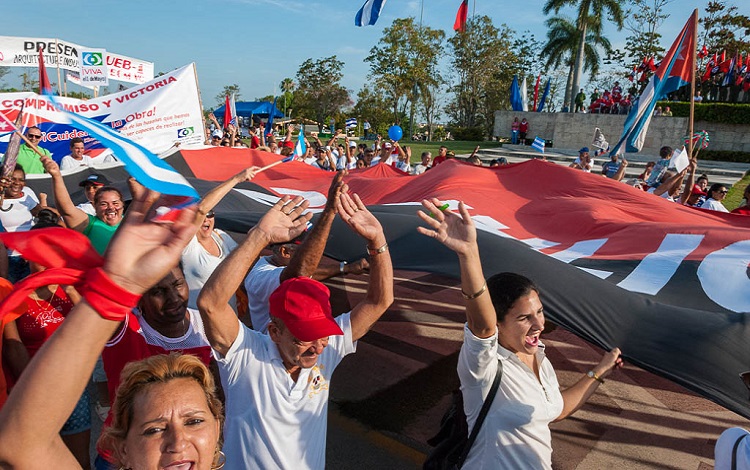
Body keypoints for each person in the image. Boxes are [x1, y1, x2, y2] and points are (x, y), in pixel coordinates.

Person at [0, 186, 226, 470]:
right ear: (121, 450)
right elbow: (19, 444)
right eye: (153, 429)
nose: (178, 443)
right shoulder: (130, 326)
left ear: (217, 428)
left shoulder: (200, 324)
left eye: (194, 421)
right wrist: (116, 290)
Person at [416, 197, 622, 469]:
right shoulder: (484, 368)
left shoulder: (540, 359)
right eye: (524, 317)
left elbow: (554, 410)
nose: (539, 324)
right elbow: (482, 326)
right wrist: (469, 253)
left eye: (540, 311)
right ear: (498, 323)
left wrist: (600, 371)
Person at [197, 190, 394, 469]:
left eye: (323, 334)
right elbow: (210, 304)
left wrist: (378, 241)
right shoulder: (246, 354)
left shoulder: (327, 350)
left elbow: (379, 301)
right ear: (274, 331)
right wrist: (259, 236)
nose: (318, 347)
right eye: (303, 338)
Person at [243, 172, 368, 334]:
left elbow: (308, 271)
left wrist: (346, 268)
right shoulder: (261, 277)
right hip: (271, 350)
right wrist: (329, 213)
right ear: (285, 251)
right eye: (304, 249)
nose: (311, 253)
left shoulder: (272, 264)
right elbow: (300, 272)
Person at [181, 166, 260, 312]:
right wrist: (237, 179)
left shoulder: (220, 236)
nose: (206, 219)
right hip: (200, 325)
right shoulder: (188, 244)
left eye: (211, 214)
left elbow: (246, 255)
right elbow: (201, 209)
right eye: (202, 217)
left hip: (228, 323)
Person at [43, 156, 125, 254]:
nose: (111, 207)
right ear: (96, 206)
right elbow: (67, 210)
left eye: (115, 203)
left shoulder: (132, 222)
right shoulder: (90, 223)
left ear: (122, 204)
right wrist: (56, 176)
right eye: (104, 204)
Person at [0, 164, 42, 282]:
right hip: (8, 260)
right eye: (13, 179)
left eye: (21, 180)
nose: (17, 183)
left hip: (31, 257)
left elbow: (41, 213)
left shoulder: (27, 193)